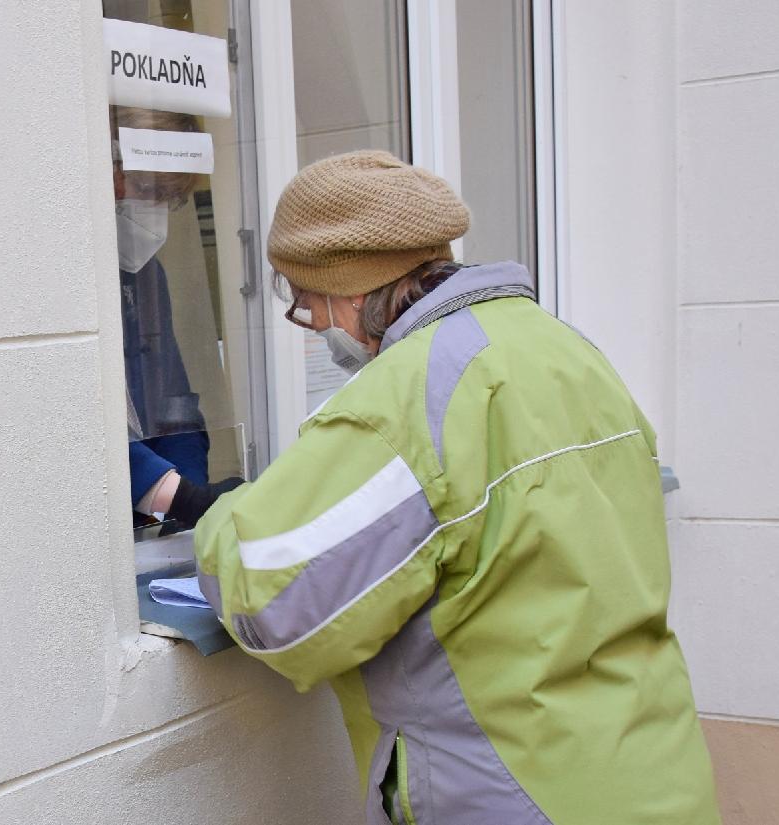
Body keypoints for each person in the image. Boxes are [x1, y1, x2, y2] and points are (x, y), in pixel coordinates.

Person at [194, 150, 721, 824]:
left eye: (307, 300)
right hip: (652, 776)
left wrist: (218, 514)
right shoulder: (561, 348)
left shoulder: (410, 393)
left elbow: (271, 606)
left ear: (353, 286)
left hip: (521, 796)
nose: (315, 325)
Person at [110, 106, 239, 529]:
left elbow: (173, 403)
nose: (152, 209)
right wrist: (176, 495)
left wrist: (190, 498)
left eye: (165, 198)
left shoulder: (147, 274)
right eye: (145, 188)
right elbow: (77, 410)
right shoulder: (66, 278)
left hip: (149, 508)